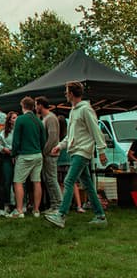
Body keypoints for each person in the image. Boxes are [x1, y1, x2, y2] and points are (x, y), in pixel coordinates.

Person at [46, 81, 108, 228]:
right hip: (76, 151)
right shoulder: (74, 110)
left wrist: (101, 150)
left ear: (72, 94)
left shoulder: (85, 110)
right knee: (88, 185)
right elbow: (71, 135)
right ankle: (100, 216)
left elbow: (95, 130)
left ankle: (61, 215)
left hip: (82, 151)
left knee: (68, 181)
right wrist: (60, 146)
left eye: (66, 91)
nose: (65, 94)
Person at [9, 97, 45, 219]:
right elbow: (43, 140)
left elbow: (16, 140)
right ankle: (36, 210)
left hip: (25, 155)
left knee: (18, 181)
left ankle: (19, 210)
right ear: (33, 106)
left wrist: (13, 154)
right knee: (37, 181)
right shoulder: (38, 121)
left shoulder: (20, 120)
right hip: (38, 154)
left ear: (23, 106)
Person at [36, 96, 62, 213]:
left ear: (41, 105)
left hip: (51, 154)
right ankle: (54, 204)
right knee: (48, 179)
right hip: (47, 154)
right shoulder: (44, 118)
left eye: (37, 105)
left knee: (52, 179)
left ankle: (59, 205)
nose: (36, 107)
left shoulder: (51, 118)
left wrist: (44, 152)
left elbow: (52, 138)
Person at [0, 111, 17, 213]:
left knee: (18, 182)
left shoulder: (19, 130)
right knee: (7, 181)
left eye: (16, 117)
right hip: (6, 158)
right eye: (14, 118)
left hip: (17, 157)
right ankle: (8, 203)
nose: (16, 119)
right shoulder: (3, 132)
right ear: (9, 121)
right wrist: (3, 149)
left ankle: (20, 203)